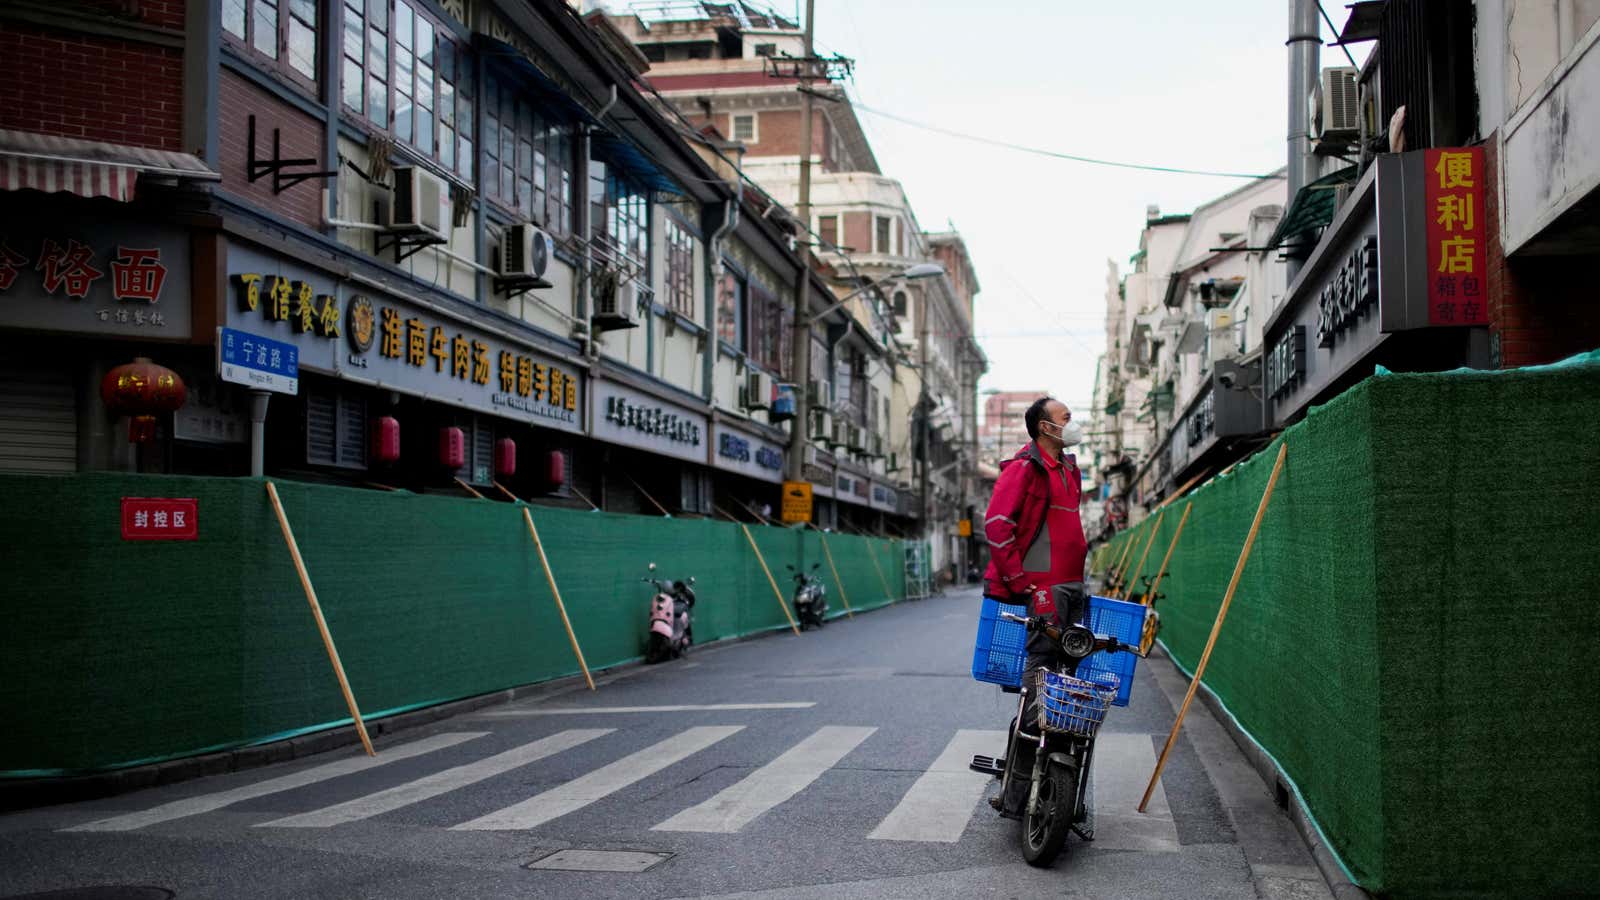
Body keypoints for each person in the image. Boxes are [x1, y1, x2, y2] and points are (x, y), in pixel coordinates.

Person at [981, 396, 1089, 707]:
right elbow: (997, 524)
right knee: (1043, 659)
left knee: (1071, 659)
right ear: (1045, 427)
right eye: (1066, 418)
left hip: (1074, 584)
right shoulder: (1024, 469)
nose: (1073, 424)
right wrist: (1015, 577)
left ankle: (1055, 742)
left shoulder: (1070, 470)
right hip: (1045, 584)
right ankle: (1030, 746)